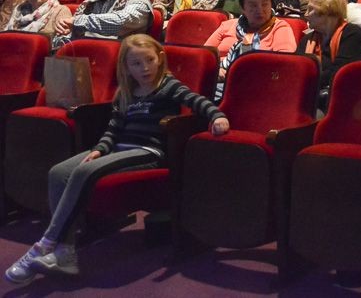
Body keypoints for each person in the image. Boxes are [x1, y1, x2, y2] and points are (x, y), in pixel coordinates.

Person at [3, 34, 227, 284]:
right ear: (126, 67)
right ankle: (65, 251)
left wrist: (216, 117)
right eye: (136, 64)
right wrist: (100, 149)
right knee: (58, 171)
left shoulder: (168, 85)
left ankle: (46, 243)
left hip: (148, 152)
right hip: (118, 148)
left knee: (83, 173)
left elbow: (198, 102)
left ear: (160, 59)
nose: (144, 68)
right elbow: (113, 128)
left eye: (149, 61)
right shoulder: (126, 92)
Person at [204, 0, 297, 78]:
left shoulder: (280, 28)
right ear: (242, 8)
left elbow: (284, 64)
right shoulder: (227, 26)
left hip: (259, 82)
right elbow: (204, 56)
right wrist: (216, 70)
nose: (260, 10)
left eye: (265, 4)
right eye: (253, 5)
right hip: (218, 80)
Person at [300, 0, 361, 110]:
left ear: (326, 12)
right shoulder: (308, 39)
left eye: (311, 9)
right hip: (312, 96)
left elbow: (339, 72)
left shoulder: (351, 34)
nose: (306, 14)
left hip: (345, 101)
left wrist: (305, 83)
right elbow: (297, 70)